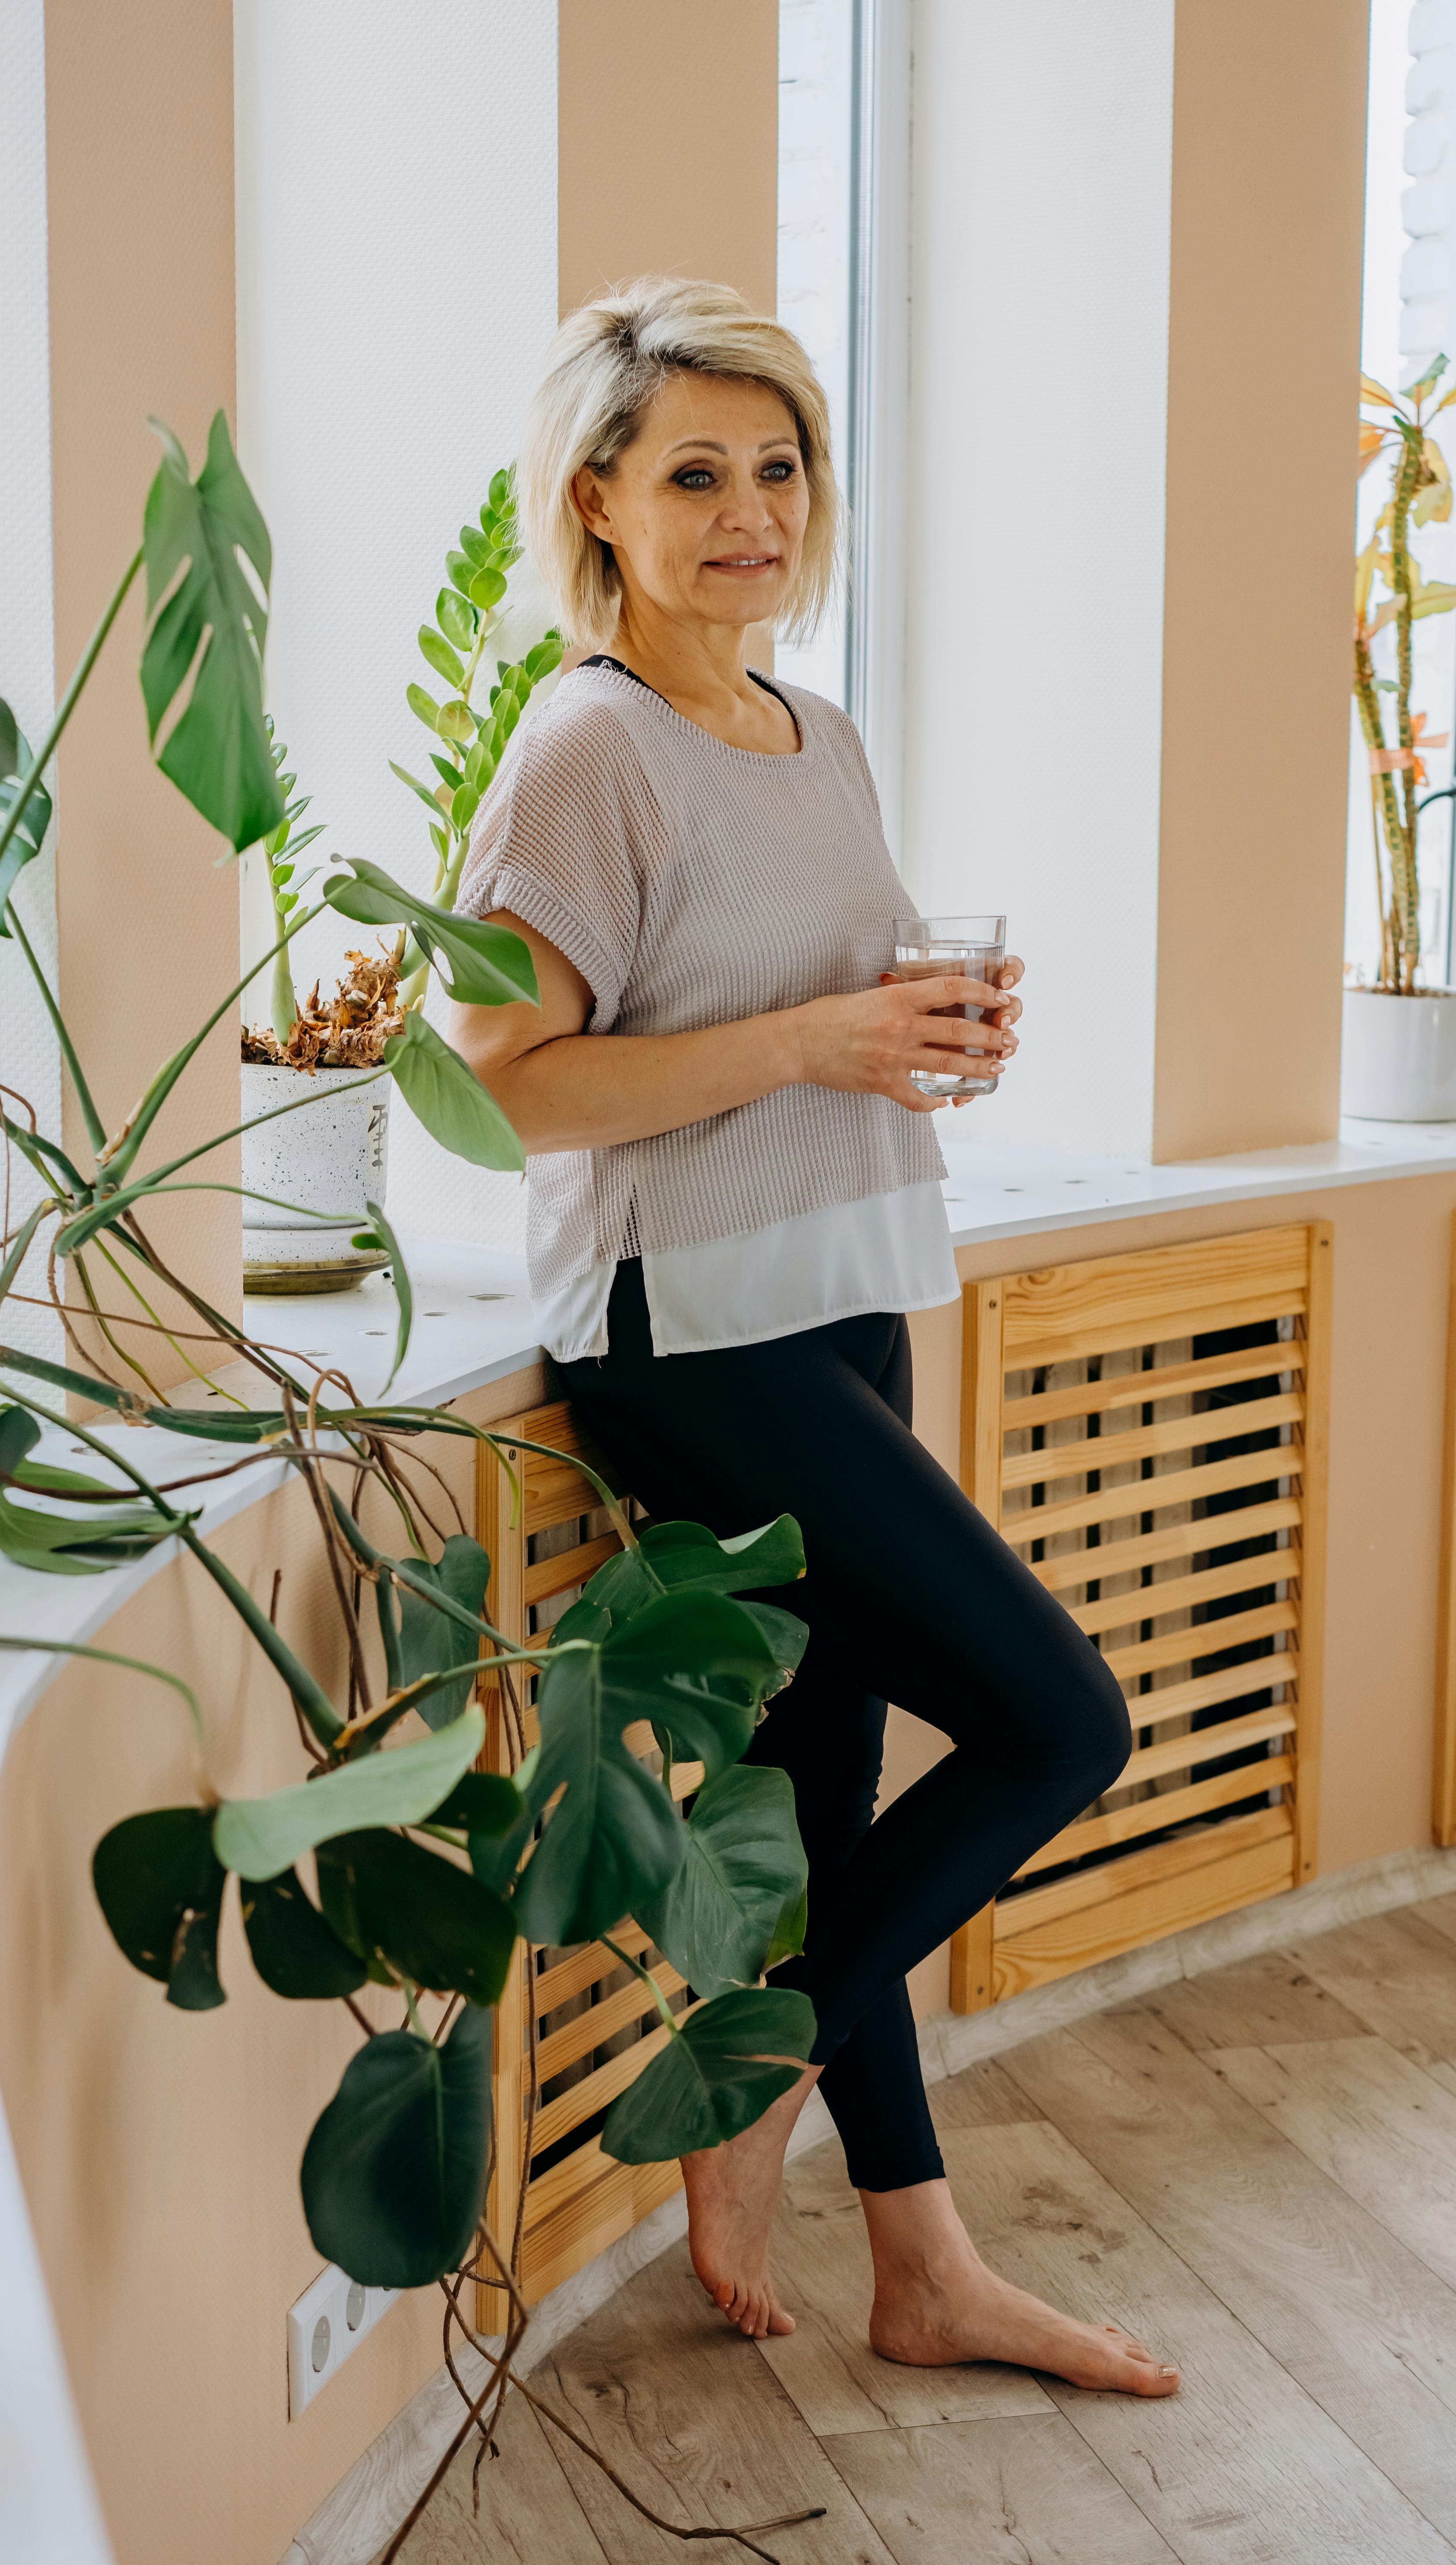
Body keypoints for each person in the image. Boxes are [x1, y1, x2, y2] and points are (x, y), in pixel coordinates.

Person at [451, 277, 1178, 2398]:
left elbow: (796, 1035)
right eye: (695, 471)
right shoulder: (588, 745)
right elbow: (509, 1076)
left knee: (828, 1800)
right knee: (1058, 1723)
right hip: (693, 1338)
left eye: (776, 468)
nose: (750, 508)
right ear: (598, 499)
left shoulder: (811, 723)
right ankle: (734, 2088)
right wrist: (816, 1034)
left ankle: (925, 2263)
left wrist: (904, 1047)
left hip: (844, 1286)